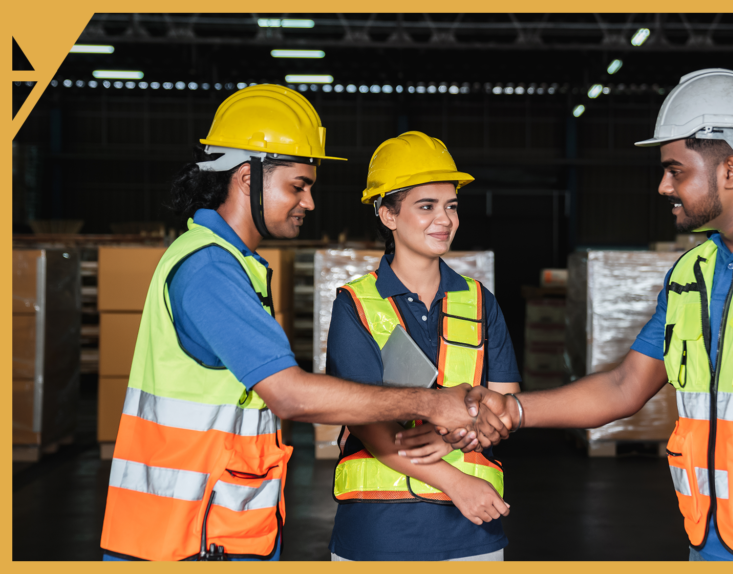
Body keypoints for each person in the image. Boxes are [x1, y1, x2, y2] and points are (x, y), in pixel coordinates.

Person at [416, 69, 733, 561]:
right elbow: (624, 386)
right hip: (709, 546)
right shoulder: (692, 273)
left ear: (730, 170)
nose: (663, 186)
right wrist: (515, 411)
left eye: (675, 170)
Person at [99, 87, 506, 562]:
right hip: (184, 536)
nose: (309, 202)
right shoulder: (209, 270)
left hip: (211, 527)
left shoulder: (235, 265)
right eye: (297, 186)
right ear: (247, 178)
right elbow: (290, 394)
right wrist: (431, 403)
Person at [325, 131, 521, 561]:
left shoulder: (480, 302)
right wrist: (456, 482)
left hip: (473, 534)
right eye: (426, 206)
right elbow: (362, 419)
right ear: (387, 214)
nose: (445, 219)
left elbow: (506, 405)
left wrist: (451, 444)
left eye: (451, 206)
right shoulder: (355, 304)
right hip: (377, 534)